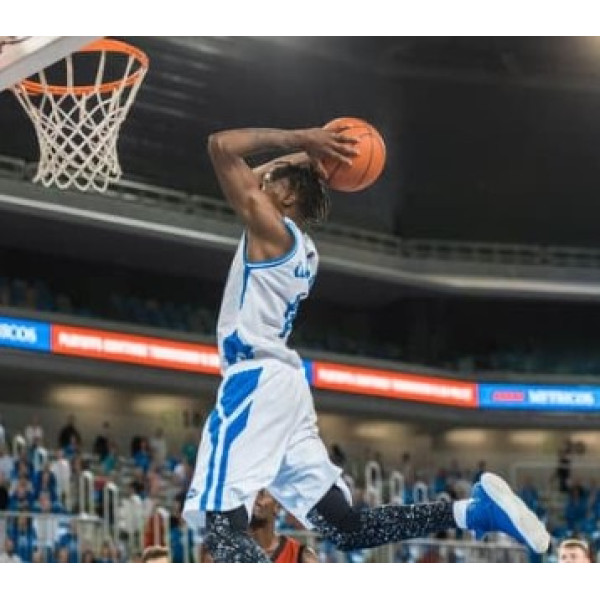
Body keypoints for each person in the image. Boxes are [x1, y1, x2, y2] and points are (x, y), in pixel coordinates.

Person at [182, 124, 551, 562]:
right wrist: (313, 157)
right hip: (285, 387)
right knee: (345, 525)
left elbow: (221, 147)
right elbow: (253, 169)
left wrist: (303, 138)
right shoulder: (301, 247)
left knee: (220, 525)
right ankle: (473, 512)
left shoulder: (272, 231)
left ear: (283, 198)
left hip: (254, 379)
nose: (262, 181)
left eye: (272, 183)